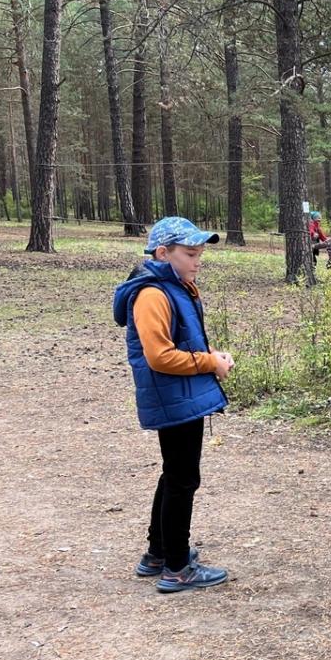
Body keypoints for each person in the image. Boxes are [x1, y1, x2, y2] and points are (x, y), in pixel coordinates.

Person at [112, 217, 234, 593]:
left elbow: (182, 340)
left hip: (181, 397)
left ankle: (158, 553)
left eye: (200, 254)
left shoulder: (176, 286)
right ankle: (178, 568)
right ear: (163, 254)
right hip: (173, 398)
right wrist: (209, 363)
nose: (198, 261)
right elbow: (160, 357)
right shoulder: (153, 294)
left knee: (174, 475)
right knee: (183, 479)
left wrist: (211, 354)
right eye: (191, 253)